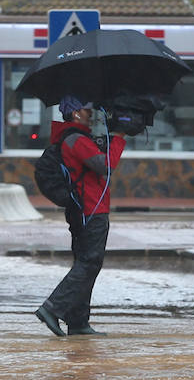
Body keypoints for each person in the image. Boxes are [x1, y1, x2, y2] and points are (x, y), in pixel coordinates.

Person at [34, 95, 125, 337]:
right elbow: (105, 165)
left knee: (85, 262)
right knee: (90, 262)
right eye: (86, 111)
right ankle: (52, 309)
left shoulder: (75, 138)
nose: (90, 114)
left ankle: (78, 322)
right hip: (90, 209)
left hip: (84, 209)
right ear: (75, 114)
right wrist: (119, 139)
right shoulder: (76, 139)